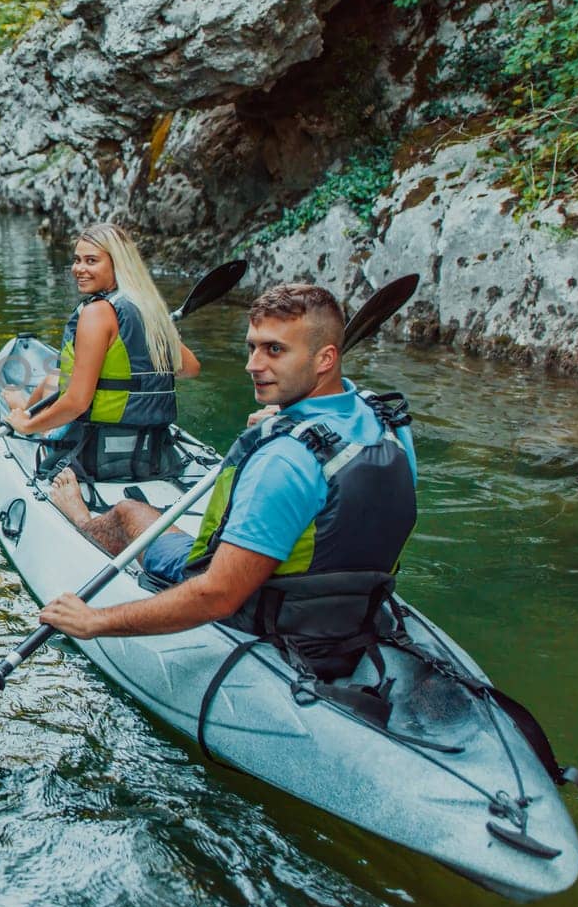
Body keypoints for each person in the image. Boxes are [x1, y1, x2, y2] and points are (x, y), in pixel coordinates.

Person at [38, 283, 417, 675]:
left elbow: (216, 596)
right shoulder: (385, 423)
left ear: (325, 359)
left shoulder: (284, 460)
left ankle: (80, 519)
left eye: (274, 349)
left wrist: (94, 621)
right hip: (351, 608)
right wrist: (291, 419)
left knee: (129, 512)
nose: (253, 364)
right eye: (252, 347)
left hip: (272, 617)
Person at [2, 222, 200, 481]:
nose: (78, 269)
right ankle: (25, 406)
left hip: (94, 455)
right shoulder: (149, 310)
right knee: (55, 377)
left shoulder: (96, 313)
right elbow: (190, 369)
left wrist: (27, 427)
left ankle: (25, 412)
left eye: (91, 261)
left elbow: (77, 402)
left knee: (55, 385)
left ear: (117, 264)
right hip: (152, 453)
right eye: (76, 260)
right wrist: (165, 334)